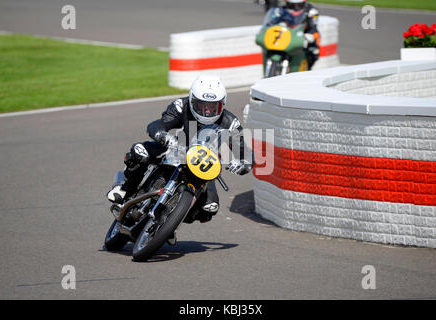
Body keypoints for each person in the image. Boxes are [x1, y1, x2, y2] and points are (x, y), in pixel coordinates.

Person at [107, 74, 253, 226]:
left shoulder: (230, 123)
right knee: (139, 151)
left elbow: (246, 153)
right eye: (201, 105)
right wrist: (162, 135)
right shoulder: (181, 105)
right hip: (176, 149)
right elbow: (158, 124)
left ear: (222, 105)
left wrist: (243, 165)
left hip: (204, 164)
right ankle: (125, 189)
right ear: (191, 100)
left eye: (212, 106)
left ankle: (170, 220)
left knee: (209, 208)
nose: (207, 111)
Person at [267, 0, 321, 70]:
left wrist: (309, 35)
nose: (295, 8)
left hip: (304, 34)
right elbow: (272, 22)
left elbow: (313, 27)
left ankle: (307, 68)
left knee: (314, 51)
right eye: (291, 5)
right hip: (287, 35)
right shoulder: (280, 10)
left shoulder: (312, 11)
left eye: (299, 5)